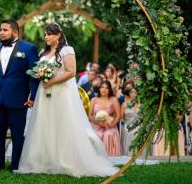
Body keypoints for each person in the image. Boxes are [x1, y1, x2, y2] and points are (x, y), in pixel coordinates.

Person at [17, 23, 118, 177]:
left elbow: (71, 72)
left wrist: (52, 80)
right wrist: (40, 75)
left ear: (58, 35)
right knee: (45, 124)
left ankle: (66, 160)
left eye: (49, 34)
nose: (46, 37)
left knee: (63, 125)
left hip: (61, 94)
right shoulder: (43, 52)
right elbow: (39, 72)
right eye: (45, 34)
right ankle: (45, 161)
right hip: (44, 94)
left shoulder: (67, 50)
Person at [0, 19, 39, 171]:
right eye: (0, 30)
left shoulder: (29, 49)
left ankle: (16, 165)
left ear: (15, 32)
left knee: (17, 136)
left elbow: (34, 75)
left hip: (19, 100)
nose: (1, 32)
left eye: (5, 30)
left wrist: (32, 96)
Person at [89, 80, 121, 156]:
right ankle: (95, 157)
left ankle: (110, 157)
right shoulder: (94, 100)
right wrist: (99, 123)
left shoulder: (113, 99)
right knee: (95, 134)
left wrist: (112, 124)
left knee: (108, 134)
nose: (104, 90)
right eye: (102, 87)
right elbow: (90, 115)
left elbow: (118, 115)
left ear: (109, 90)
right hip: (96, 125)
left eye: (107, 88)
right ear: (99, 88)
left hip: (109, 124)